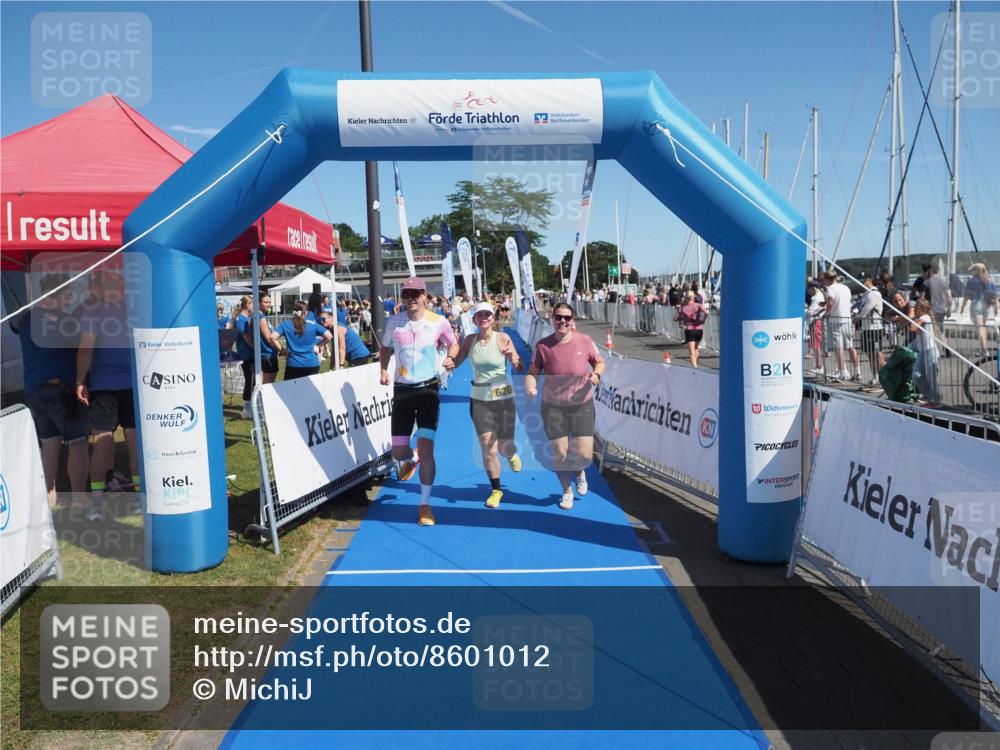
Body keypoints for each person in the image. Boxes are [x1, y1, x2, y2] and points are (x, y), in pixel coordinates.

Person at [379, 276, 459, 526]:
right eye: (407, 294)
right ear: (402, 298)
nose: (411, 298)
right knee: (399, 451)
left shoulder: (439, 321)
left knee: (428, 450)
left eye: (416, 293)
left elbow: (453, 345)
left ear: (425, 295)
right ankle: (411, 457)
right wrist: (383, 369)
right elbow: (384, 347)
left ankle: (425, 504)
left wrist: (451, 358)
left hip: (428, 392)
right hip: (402, 391)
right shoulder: (395, 321)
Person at [19, 274, 89, 510]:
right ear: (54, 294)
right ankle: (79, 500)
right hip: (58, 389)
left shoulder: (27, 318)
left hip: (35, 390)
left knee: (50, 445)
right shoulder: (57, 319)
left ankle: (47, 504)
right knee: (78, 442)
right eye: (67, 292)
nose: (70, 297)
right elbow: (84, 339)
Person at [525, 302, 605, 511]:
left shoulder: (585, 341)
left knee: (584, 455)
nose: (562, 321)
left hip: (582, 405)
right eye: (558, 317)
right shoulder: (543, 346)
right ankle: (566, 491)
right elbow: (532, 372)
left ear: (572, 321)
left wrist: (596, 374)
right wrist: (530, 388)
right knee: (560, 453)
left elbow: (599, 362)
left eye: (567, 318)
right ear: (552, 319)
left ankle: (579, 471)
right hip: (553, 407)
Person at [75, 269, 139, 517]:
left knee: (102, 443)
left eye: (92, 285)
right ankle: (140, 500)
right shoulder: (133, 310)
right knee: (135, 442)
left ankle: (97, 505)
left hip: (104, 385)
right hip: (134, 385)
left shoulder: (94, 311)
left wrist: (79, 380)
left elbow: (85, 349)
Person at [452, 302, 523, 508]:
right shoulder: (469, 340)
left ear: (493, 318)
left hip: (503, 397)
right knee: (488, 448)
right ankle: (496, 490)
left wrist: (512, 357)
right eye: (479, 315)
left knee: (503, 446)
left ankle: (511, 453)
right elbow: (456, 363)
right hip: (479, 397)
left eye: (487, 314)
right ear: (474, 319)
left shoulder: (503, 338)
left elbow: (520, 366)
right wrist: (448, 361)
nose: (483, 318)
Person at [271, 301, 332, 380]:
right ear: (305, 312)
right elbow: (329, 336)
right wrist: (318, 346)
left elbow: (272, 337)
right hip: (312, 363)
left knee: (292, 391)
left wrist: (282, 350)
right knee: (310, 390)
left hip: (293, 363)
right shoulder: (312, 324)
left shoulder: (286, 324)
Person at [821, 270, 860, 381]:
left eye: (824, 279)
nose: (823, 281)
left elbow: (830, 303)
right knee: (850, 346)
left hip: (835, 320)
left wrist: (826, 313)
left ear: (828, 279)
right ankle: (857, 371)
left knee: (839, 348)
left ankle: (842, 372)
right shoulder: (845, 287)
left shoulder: (830, 289)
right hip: (847, 319)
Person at [858, 277, 886, 385]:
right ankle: (875, 377)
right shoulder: (866, 293)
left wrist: (857, 317)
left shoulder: (874, 294)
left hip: (874, 328)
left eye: (864, 280)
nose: (862, 283)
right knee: (870, 354)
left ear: (869, 280)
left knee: (877, 354)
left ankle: (885, 377)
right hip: (867, 328)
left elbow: (864, 312)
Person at [962, 263, 994, 356]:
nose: (971, 272)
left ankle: (984, 351)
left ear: (976, 271)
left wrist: (962, 307)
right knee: (983, 327)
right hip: (987, 305)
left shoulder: (971, 281)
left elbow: (967, 296)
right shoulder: (989, 280)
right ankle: (984, 349)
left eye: (972, 270)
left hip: (977, 304)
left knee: (980, 329)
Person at [674, 290, 708, 367]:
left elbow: (676, 318)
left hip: (690, 329)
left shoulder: (683, 306)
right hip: (699, 329)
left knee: (691, 351)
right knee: (696, 348)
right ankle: (696, 364)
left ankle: (695, 367)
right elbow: (706, 313)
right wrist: (702, 320)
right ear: (693, 297)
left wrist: (681, 317)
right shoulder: (698, 305)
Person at [923, 264, 951, 345]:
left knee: (931, 329)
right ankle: (945, 346)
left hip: (931, 309)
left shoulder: (926, 283)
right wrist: (948, 309)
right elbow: (949, 297)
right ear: (938, 271)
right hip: (942, 309)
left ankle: (934, 348)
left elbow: (922, 298)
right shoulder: (944, 281)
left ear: (930, 271)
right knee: (941, 329)